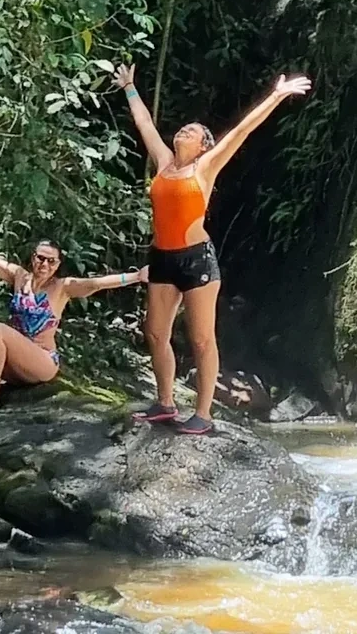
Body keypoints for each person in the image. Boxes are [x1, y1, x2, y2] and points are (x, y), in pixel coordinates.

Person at [113, 64, 312, 435]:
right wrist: (129, 87)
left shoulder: (205, 167)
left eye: (191, 131)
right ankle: (166, 402)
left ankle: (203, 413)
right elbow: (144, 124)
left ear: (203, 145)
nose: (182, 131)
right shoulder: (163, 162)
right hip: (162, 258)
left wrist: (277, 95)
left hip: (196, 260)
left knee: (202, 338)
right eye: (182, 128)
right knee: (155, 332)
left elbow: (242, 130)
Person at [0, 213, 148, 422]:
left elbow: (97, 283)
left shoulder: (61, 287)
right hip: (14, 362)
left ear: (57, 265)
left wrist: (136, 276)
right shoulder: (20, 276)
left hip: (42, 363)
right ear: (33, 258)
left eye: (51, 261)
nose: (44, 265)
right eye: (40, 258)